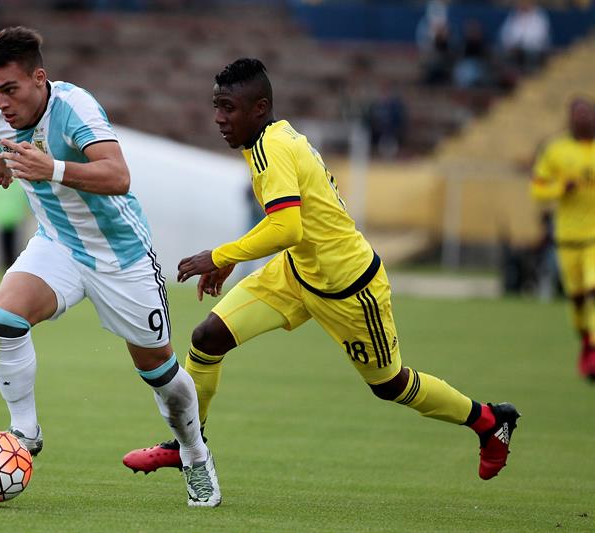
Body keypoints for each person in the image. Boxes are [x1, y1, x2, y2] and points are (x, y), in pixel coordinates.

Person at [123, 58, 520, 485]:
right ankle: (188, 447)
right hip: (296, 273)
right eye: (216, 106)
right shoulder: (270, 139)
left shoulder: (271, 148)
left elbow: (287, 227)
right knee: (207, 338)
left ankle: (488, 421)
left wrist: (221, 255)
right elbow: (292, 222)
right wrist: (236, 256)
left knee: (391, 385)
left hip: (349, 289)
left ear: (259, 108)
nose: (219, 118)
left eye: (228, 107)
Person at [0, 27, 220, 507]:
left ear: (40, 78)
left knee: (161, 375)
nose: (0, 101)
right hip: (58, 244)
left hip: (121, 257)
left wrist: (52, 169)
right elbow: (0, 133)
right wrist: (1, 157)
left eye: (10, 89)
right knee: (5, 317)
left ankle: (194, 452)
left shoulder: (75, 107)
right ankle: (26, 432)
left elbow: (119, 175)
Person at [530, 97, 595, 380]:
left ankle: (594, 347)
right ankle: (586, 346)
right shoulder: (556, 150)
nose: (583, 118)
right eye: (577, 113)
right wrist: (560, 188)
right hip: (568, 237)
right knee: (578, 300)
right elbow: (537, 189)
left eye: (587, 113)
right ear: (570, 118)